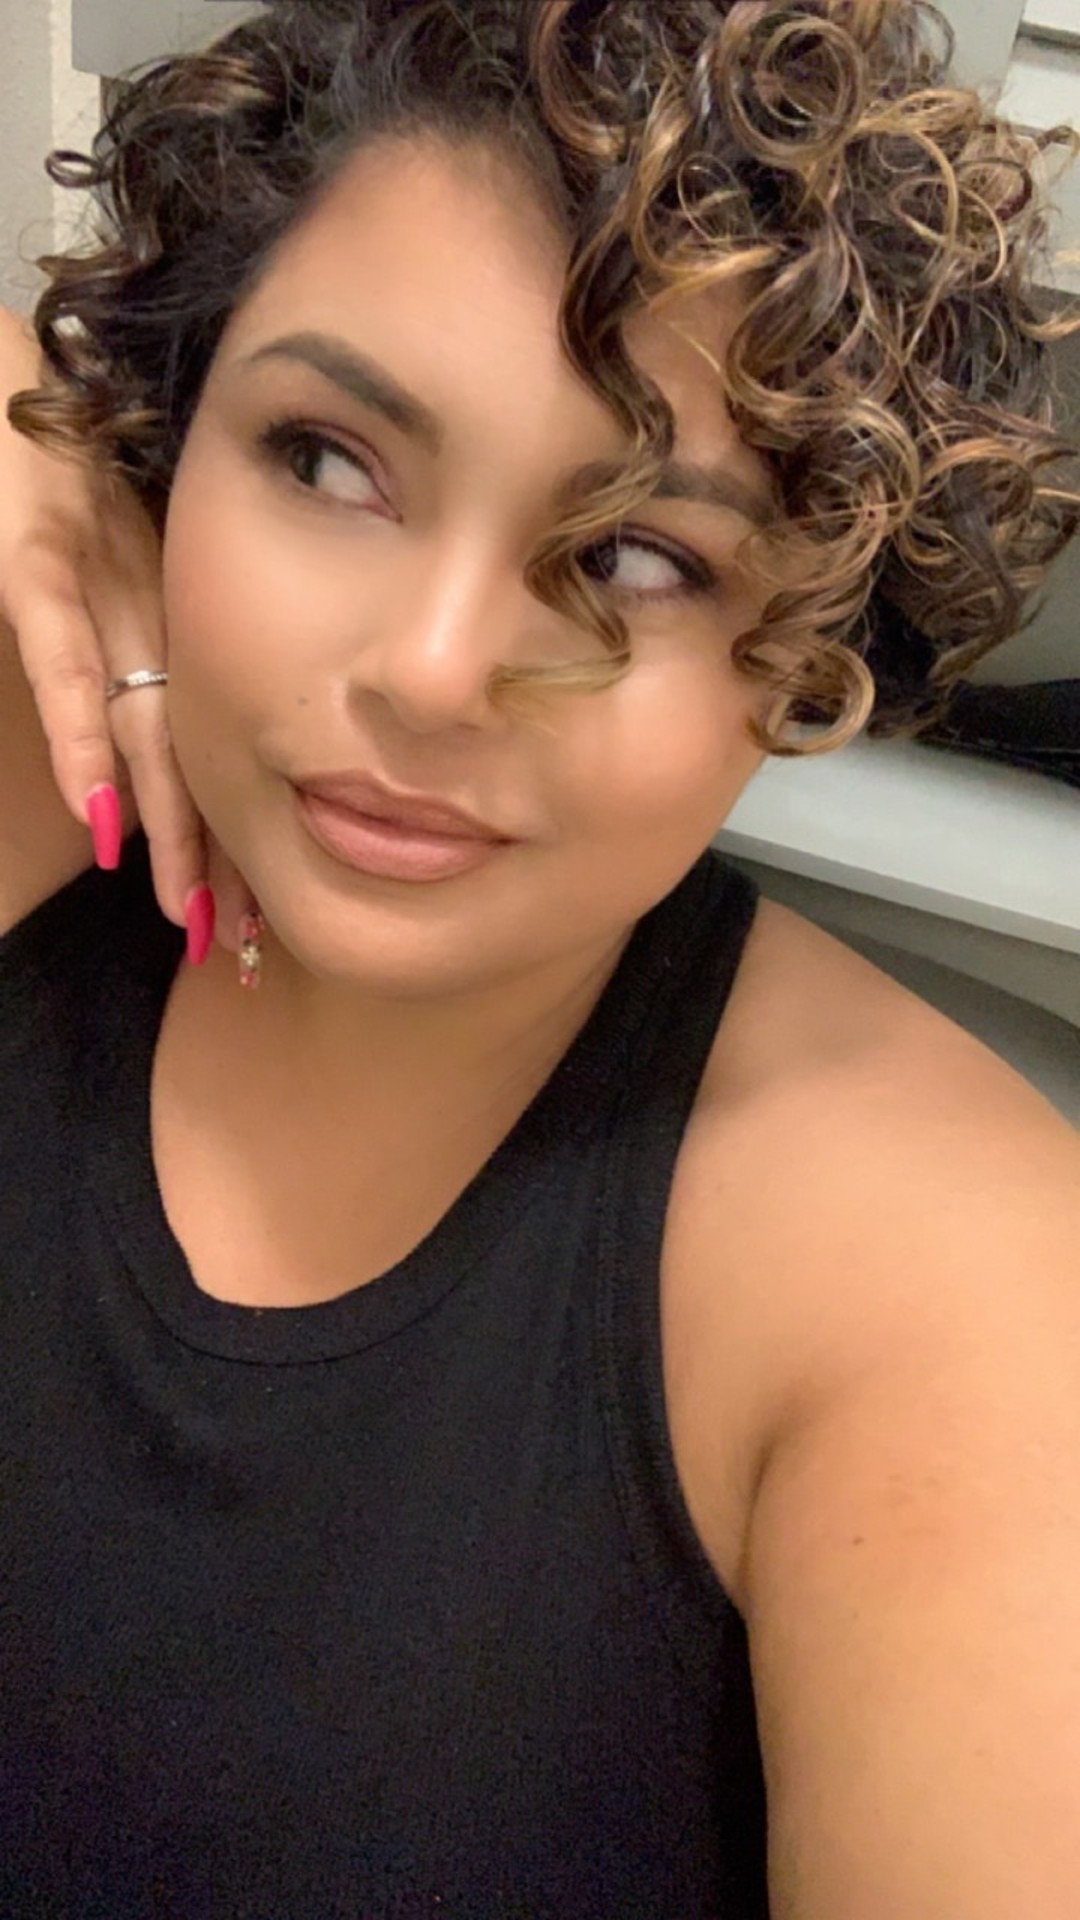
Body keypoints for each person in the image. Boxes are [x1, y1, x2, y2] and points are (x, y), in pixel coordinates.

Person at [1, 1, 1079, 1913]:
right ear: (163, 444)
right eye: (326, 459)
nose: (433, 673)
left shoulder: (954, 1281)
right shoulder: (35, 783)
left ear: (806, 658)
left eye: (640, 559)